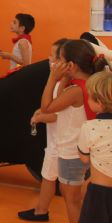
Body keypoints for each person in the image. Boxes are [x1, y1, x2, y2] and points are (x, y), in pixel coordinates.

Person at [40, 39, 105, 223]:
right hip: (86, 150)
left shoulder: (75, 91)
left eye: (60, 59)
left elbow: (46, 107)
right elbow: (61, 100)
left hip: (71, 153)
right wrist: (66, 77)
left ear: (71, 65)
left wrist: (53, 77)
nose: (56, 63)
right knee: (79, 198)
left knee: (72, 200)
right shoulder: (92, 83)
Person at [18, 38, 68, 222]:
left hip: (62, 142)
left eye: (53, 56)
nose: (48, 58)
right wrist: (42, 112)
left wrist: (40, 117)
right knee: (48, 177)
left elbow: (59, 115)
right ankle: (41, 210)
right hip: (56, 141)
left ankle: (43, 210)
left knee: (65, 187)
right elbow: (51, 107)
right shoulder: (58, 82)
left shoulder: (64, 84)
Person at [78, 70, 112, 223]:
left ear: (99, 102)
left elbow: (84, 158)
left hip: (99, 193)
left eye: (89, 96)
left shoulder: (89, 127)